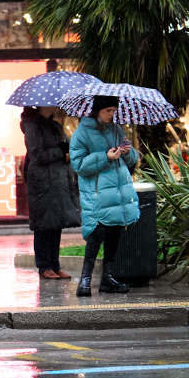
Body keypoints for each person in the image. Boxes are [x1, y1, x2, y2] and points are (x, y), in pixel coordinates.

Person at [69, 95, 140, 297]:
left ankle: (107, 278)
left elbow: (131, 159)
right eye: (107, 110)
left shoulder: (117, 130)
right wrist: (105, 157)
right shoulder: (82, 133)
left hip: (118, 193)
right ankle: (85, 280)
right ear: (97, 110)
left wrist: (127, 151)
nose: (111, 114)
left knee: (115, 233)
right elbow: (79, 165)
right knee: (95, 234)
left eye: (113, 110)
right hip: (97, 193)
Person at [21, 107, 81, 280]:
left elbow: (67, 147)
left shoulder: (55, 126)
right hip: (42, 183)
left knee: (56, 224)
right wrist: (60, 152)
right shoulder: (32, 126)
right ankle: (44, 266)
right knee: (43, 225)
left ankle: (55, 265)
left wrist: (67, 147)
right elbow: (37, 155)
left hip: (57, 182)